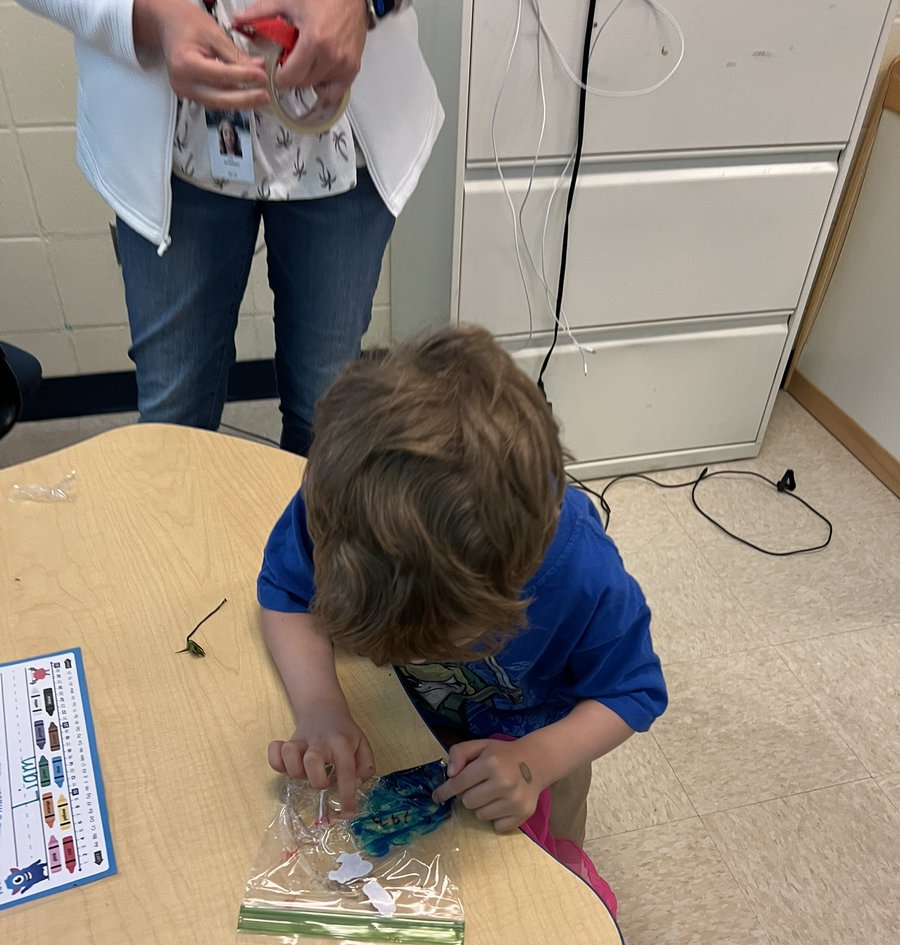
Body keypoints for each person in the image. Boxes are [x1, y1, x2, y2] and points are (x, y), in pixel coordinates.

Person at [257, 326, 668, 847]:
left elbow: (632, 690)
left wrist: (534, 762)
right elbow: (286, 593)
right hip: (405, 729)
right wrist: (321, 707)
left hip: (535, 751)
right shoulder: (339, 510)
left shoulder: (582, 573)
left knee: (546, 883)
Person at [16, 0, 442, 455]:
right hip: (172, 140)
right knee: (173, 423)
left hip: (344, 130)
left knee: (325, 416)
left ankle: (304, 527)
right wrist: (145, 13)